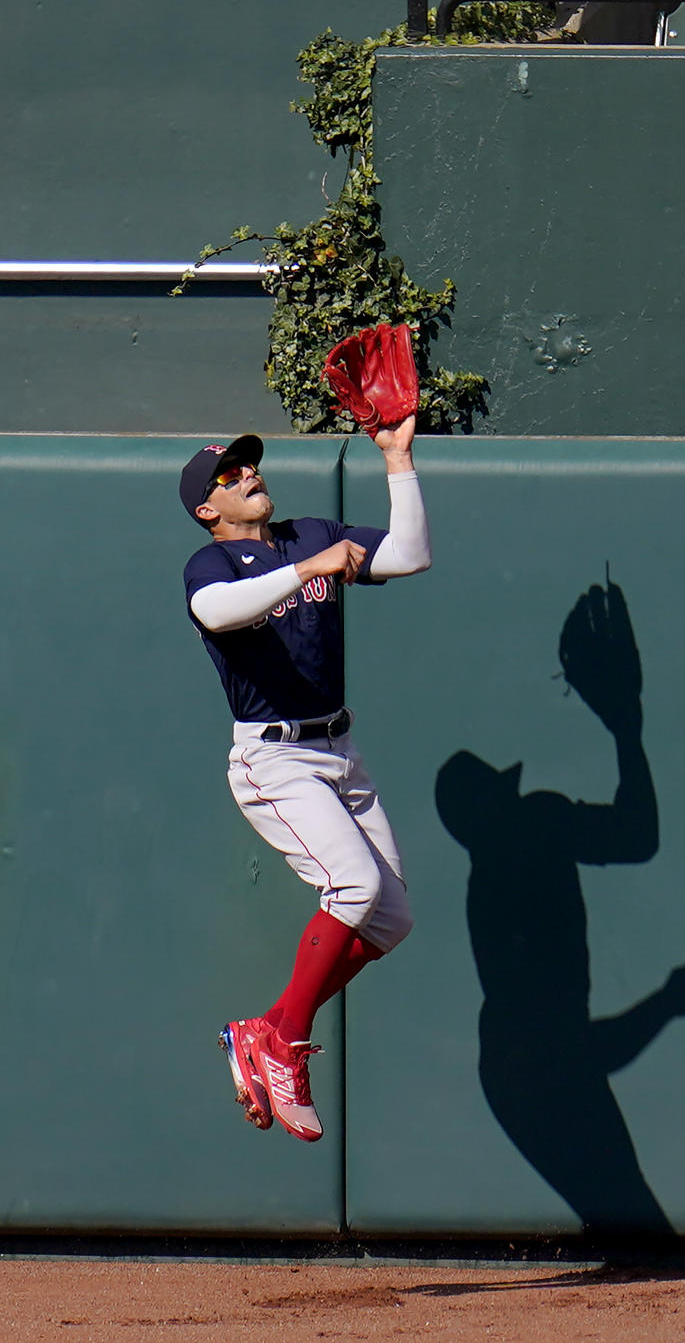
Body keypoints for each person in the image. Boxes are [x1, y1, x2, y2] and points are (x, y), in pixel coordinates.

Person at [179, 416, 429, 1142]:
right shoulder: (212, 566)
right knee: (353, 886)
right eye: (230, 475)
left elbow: (411, 554)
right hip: (275, 757)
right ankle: (280, 1041)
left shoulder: (307, 531)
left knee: (391, 917)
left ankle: (272, 1029)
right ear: (207, 510)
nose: (249, 475)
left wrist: (397, 459)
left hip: (338, 748)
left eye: (250, 465)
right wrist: (305, 572)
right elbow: (212, 611)